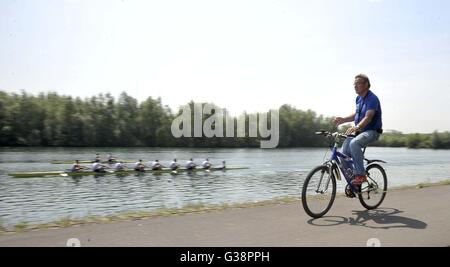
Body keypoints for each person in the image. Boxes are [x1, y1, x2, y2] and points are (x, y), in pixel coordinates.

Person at [334, 74, 383, 185]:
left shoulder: (372, 98)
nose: (355, 86)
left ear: (366, 85)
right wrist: (343, 119)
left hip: (372, 131)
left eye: (358, 83)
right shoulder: (358, 99)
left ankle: (361, 176)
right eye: (354, 83)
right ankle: (353, 183)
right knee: (343, 155)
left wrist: (356, 127)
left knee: (354, 144)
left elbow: (368, 117)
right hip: (359, 132)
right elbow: (357, 115)